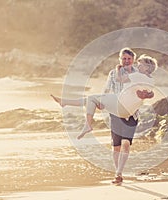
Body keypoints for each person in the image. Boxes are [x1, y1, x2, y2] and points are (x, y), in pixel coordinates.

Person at [51, 48, 155, 185]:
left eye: (129, 59)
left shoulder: (137, 73)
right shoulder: (113, 74)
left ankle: (119, 173)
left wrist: (148, 95)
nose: (126, 61)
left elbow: (149, 90)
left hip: (131, 113)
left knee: (126, 144)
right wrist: (102, 101)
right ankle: (118, 173)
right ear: (120, 59)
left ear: (133, 60)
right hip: (115, 109)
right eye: (123, 59)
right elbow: (106, 89)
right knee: (116, 146)